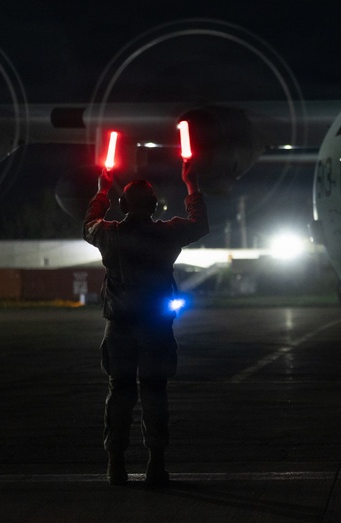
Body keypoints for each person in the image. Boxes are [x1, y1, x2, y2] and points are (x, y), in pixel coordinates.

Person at [83, 159, 209, 486]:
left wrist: (102, 190)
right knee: (155, 392)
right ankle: (156, 463)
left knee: (119, 392)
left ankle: (115, 464)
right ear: (155, 206)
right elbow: (200, 224)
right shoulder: (168, 234)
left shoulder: (108, 235)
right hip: (156, 328)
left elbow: (89, 223)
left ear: (123, 205)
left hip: (119, 326)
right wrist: (191, 184)